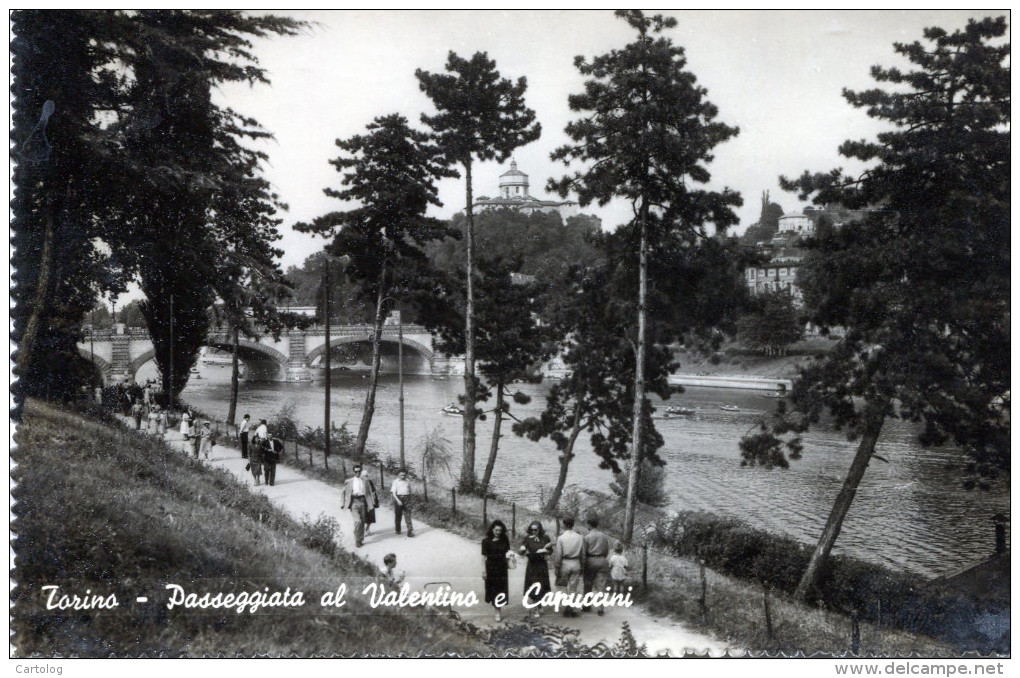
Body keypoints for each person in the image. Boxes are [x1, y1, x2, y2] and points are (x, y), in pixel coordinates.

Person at [552, 516, 586, 617]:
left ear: (564, 525)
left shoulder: (561, 538)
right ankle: (573, 608)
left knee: (562, 586)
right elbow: (583, 553)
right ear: (572, 525)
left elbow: (558, 554)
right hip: (576, 563)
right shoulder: (580, 537)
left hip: (565, 563)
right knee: (573, 587)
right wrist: (582, 565)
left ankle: (566, 606)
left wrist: (557, 567)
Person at [518, 520, 552, 618]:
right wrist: (522, 550)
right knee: (534, 586)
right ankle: (535, 608)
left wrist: (547, 551)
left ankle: (539, 604)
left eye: (535, 530)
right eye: (532, 530)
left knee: (541, 586)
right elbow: (521, 550)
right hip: (532, 565)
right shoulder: (527, 538)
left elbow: (550, 550)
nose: (533, 532)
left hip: (542, 565)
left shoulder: (545, 538)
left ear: (539, 529)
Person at [340, 464, 377, 547]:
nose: (358, 473)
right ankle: (357, 540)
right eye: (356, 471)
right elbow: (343, 492)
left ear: (361, 471)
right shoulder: (349, 481)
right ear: (354, 472)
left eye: (359, 471)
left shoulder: (365, 481)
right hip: (354, 502)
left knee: (362, 521)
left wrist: (372, 503)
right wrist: (343, 504)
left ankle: (360, 539)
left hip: (363, 501)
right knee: (358, 521)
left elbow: (369, 493)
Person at [481, 519, 511, 622]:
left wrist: (511, 558)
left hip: (502, 569)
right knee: (493, 590)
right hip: (490, 569)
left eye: (500, 531)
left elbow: (508, 553)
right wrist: (484, 571)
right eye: (496, 530)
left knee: (500, 590)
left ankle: (498, 611)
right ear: (492, 529)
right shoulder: (486, 541)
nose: (498, 532)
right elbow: (483, 557)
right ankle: (496, 610)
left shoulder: (505, 540)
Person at [582, 515, 611, 615]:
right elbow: (607, 551)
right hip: (602, 560)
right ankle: (600, 608)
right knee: (601, 585)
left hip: (590, 560)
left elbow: (584, 552)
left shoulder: (587, 537)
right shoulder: (603, 536)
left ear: (589, 525)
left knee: (588, 583)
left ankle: (586, 605)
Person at [390, 470, 415, 537]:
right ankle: (398, 529)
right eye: (401, 475)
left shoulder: (408, 481)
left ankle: (410, 531)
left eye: (404, 475)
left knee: (408, 514)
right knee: (398, 515)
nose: (403, 476)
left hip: (407, 498)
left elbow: (410, 490)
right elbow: (393, 493)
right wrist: (398, 501)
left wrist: (409, 499)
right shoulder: (395, 482)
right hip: (399, 498)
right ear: (398, 475)